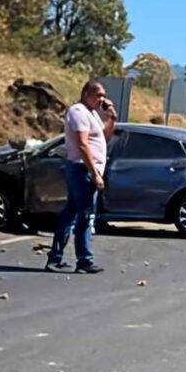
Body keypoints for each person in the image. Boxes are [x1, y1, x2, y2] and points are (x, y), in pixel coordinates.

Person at [46, 80, 117, 273]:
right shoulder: (78, 112)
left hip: (86, 170)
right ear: (86, 93)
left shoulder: (92, 114)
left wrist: (111, 118)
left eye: (103, 95)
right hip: (81, 169)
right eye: (98, 95)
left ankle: (56, 257)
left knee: (70, 212)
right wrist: (95, 173)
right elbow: (82, 144)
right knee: (85, 215)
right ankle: (84, 260)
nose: (101, 99)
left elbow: (103, 138)